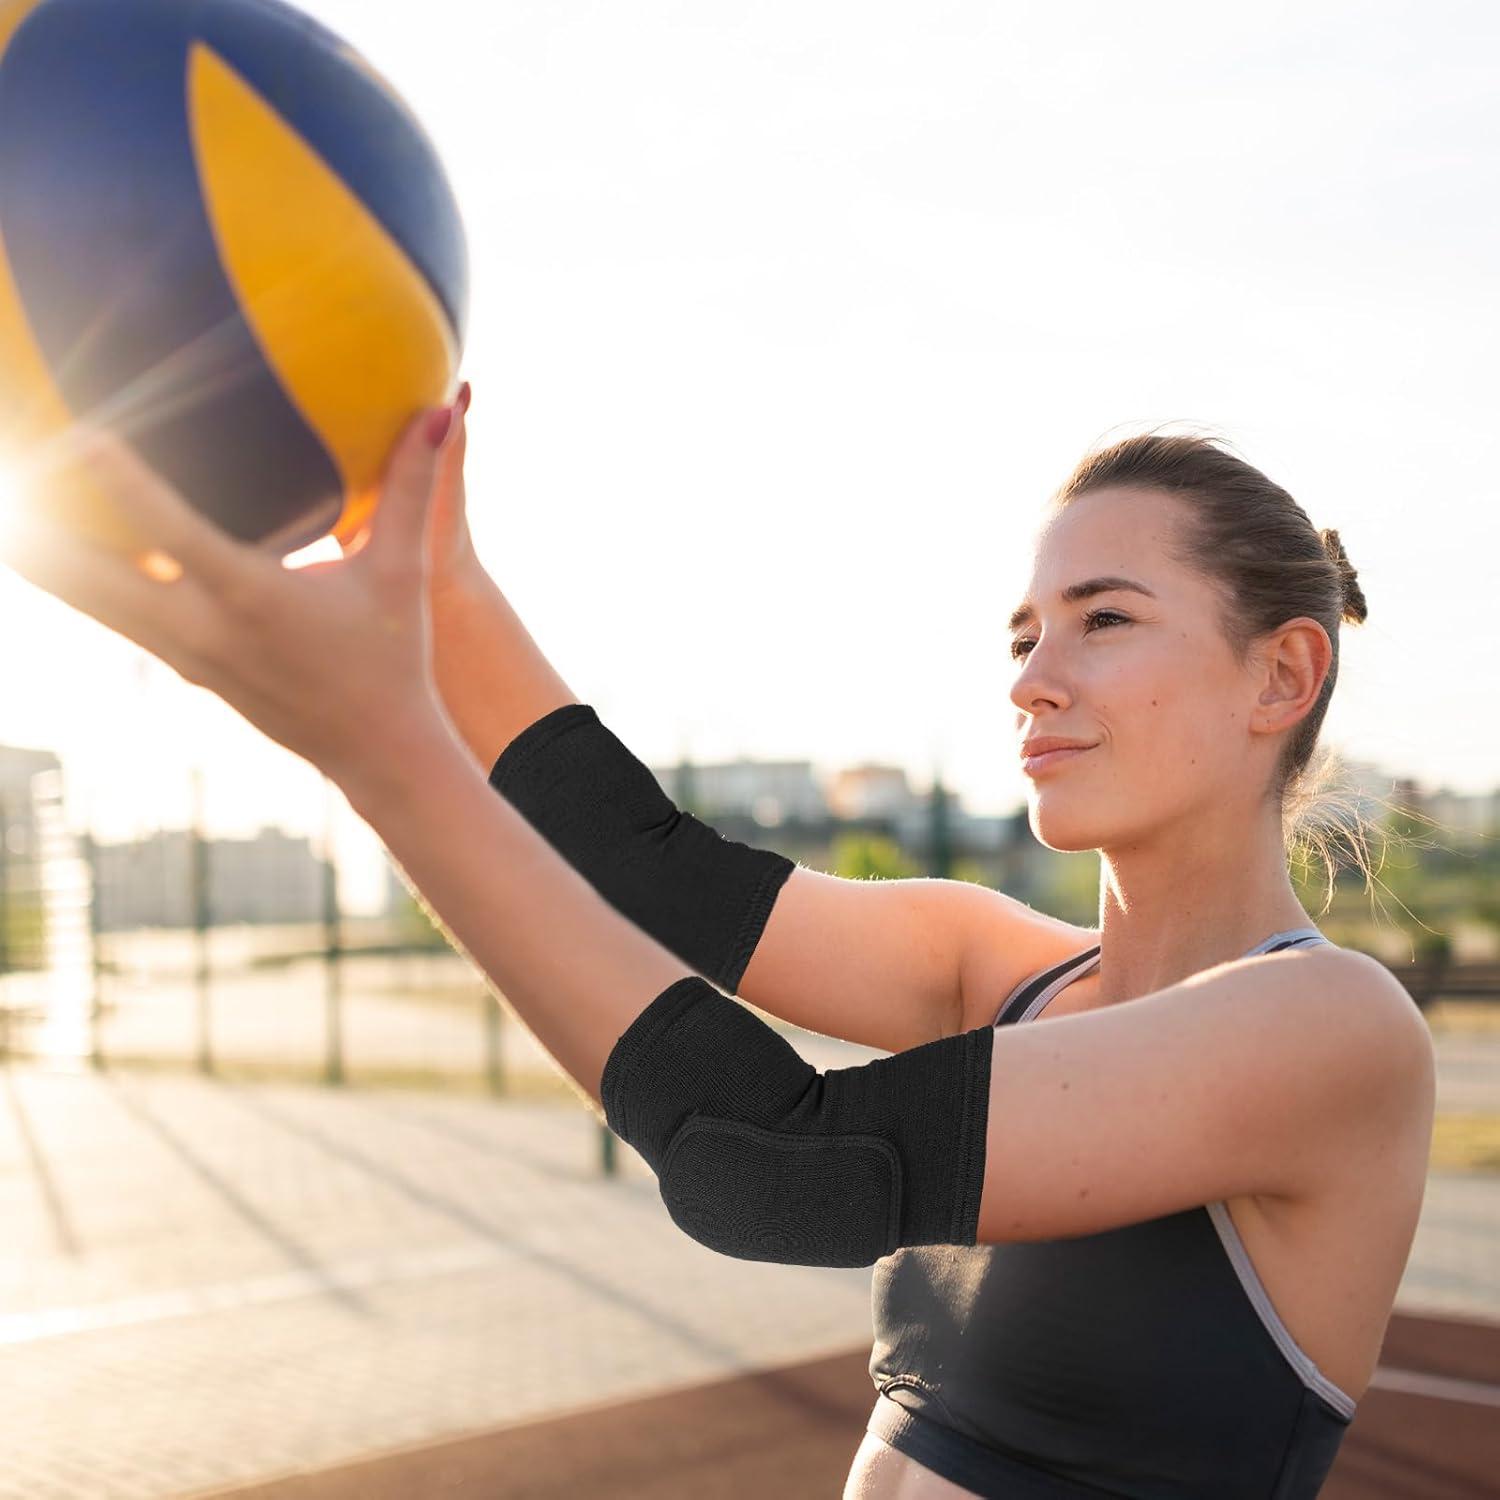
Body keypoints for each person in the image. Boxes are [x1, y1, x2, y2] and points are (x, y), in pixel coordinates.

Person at [2, 392, 1434, 1499]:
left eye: (1102, 621)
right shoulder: (994, 964)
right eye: (1020, 634)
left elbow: (775, 1162)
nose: (1033, 681)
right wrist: (440, 586)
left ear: (1282, 673)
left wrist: (377, 749)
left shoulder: (1331, 1033)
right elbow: (647, 870)